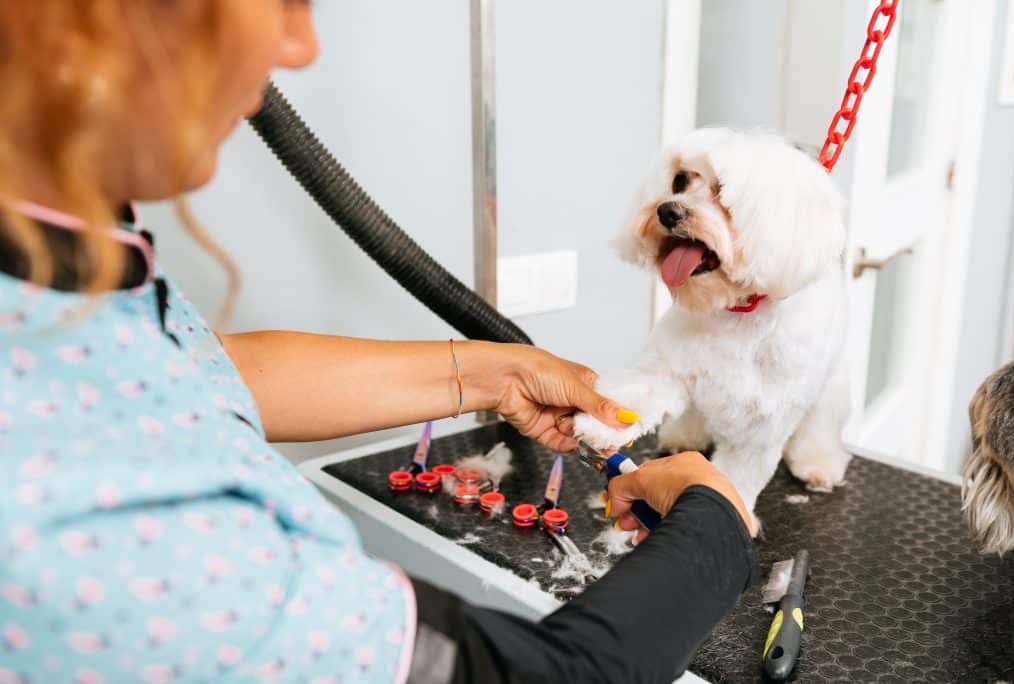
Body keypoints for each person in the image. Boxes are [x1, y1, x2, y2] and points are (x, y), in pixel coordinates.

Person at [0, 3, 757, 682]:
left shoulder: (60, 262)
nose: (299, 46)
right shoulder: (79, 513)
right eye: (285, 2)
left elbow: (196, 374)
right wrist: (715, 523)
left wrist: (497, 375)